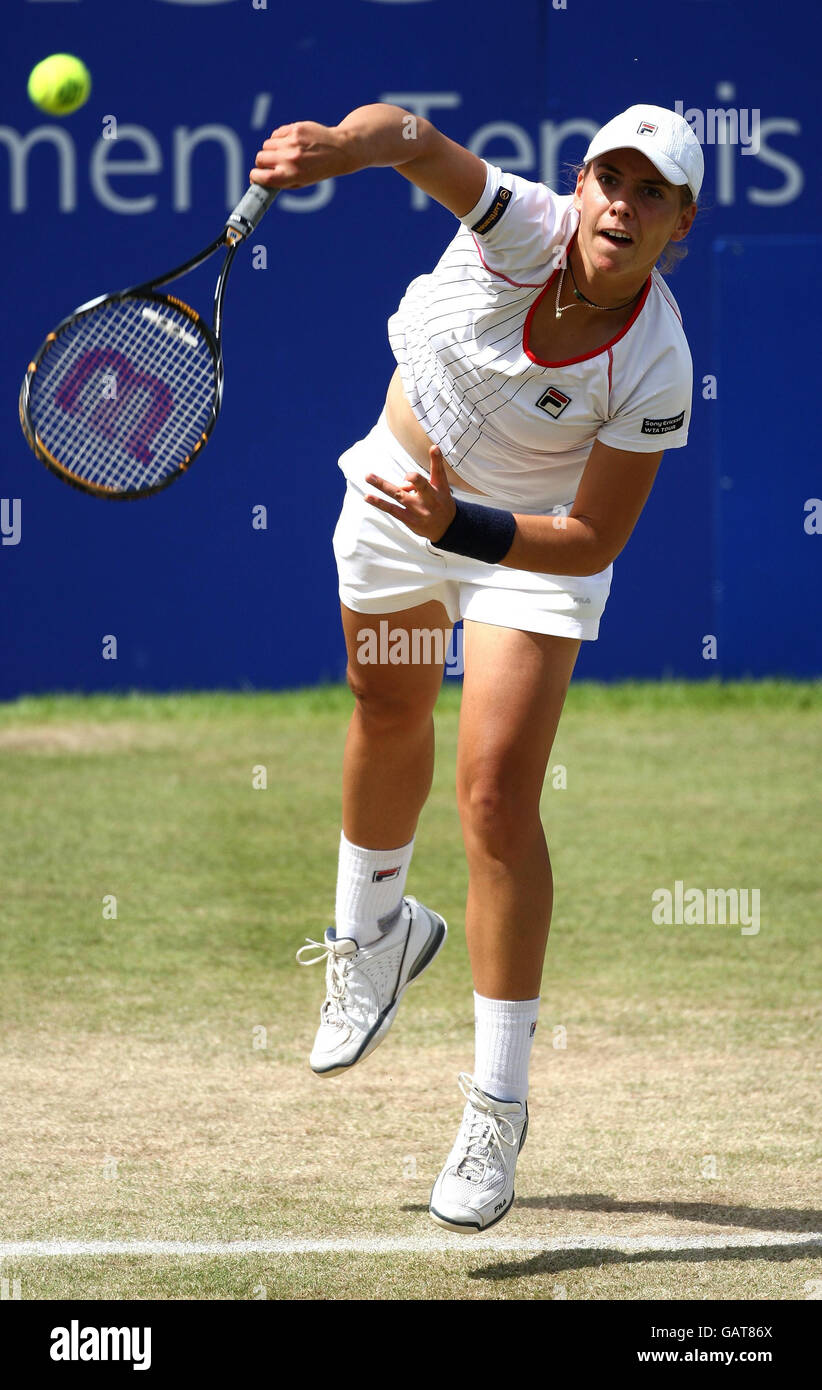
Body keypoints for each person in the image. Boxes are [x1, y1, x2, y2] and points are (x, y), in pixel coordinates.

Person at [251, 103, 701, 1233]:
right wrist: (342, 150)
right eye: (613, 178)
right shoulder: (519, 227)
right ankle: (377, 937)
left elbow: (593, 540)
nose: (623, 205)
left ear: (678, 225)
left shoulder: (657, 364)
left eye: (653, 194)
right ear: (582, 181)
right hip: (402, 493)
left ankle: (496, 1108)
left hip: (526, 546)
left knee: (496, 794)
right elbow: (413, 137)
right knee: (387, 703)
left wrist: (468, 528)